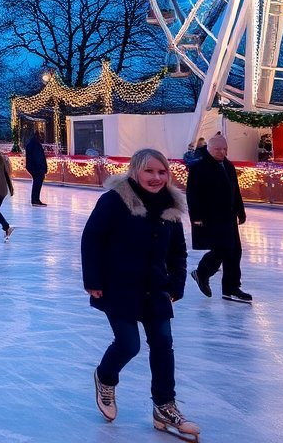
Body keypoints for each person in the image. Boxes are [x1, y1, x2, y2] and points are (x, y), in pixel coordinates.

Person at [81, 148, 198, 440]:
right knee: (129, 344)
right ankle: (105, 377)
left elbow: (178, 252)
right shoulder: (114, 201)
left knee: (163, 344)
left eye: (162, 172)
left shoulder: (171, 205)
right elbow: (92, 238)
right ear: (135, 171)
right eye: (149, 171)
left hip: (156, 288)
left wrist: (176, 285)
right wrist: (93, 279)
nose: (156, 177)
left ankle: (164, 407)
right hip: (118, 286)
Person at [186, 135, 251, 303]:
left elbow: (234, 191)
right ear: (209, 148)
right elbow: (192, 194)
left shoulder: (228, 165)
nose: (222, 152)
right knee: (223, 249)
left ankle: (231, 288)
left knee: (235, 251)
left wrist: (240, 212)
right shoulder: (199, 167)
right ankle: (202, 272)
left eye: (225, 149)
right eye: (218, 149)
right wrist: (196, 217)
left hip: (228, 216)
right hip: (210, 217)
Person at [25, 132, 48, 206]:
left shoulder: (32, 144)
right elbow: (38, 158)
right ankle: (35, 200)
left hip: (34, 167)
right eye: (42, 136)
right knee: (37, 183)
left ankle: (35, 199)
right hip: (36, 168)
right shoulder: (35, 145)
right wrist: (42, 168)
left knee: (36, 183)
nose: (43, 138)